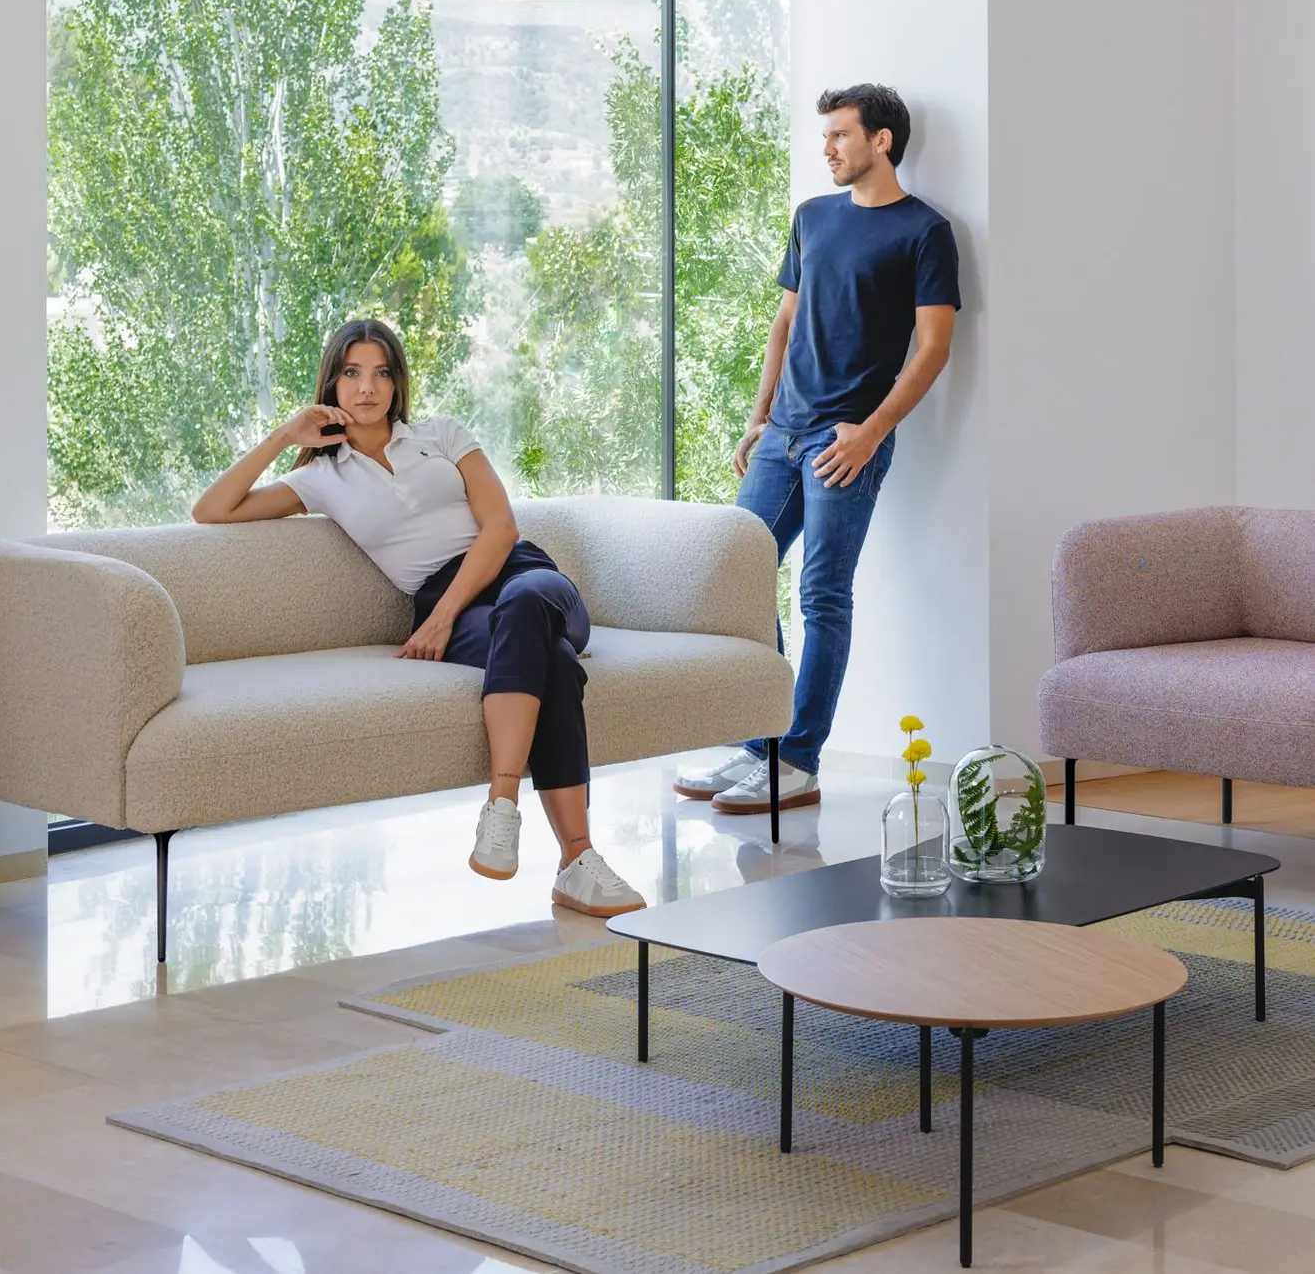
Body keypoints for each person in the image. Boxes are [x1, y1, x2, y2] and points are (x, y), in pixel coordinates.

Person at [193, 318, 646, 917]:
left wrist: (443, 618)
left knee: (530, 602)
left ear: (397, 382)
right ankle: (577, 862)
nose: (366, 388)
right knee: (554, 664)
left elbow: (502, 527)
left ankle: (502, 804)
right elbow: (211, 511)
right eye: (351, 373)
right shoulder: (320, 479)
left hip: (519, 572)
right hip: (447, 606)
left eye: (381, 373)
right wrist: (284, 435)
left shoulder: (442, 434)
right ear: (331, 382)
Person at [676, 84, 960, 812]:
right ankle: (754, 745)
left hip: (847, 440)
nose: (828, 147)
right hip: (783, 433)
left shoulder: (925, 232)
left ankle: (797, 760)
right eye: (825, 136)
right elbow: (784, 325)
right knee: (735, 572)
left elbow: (932, 349)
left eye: (839, 135)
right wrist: (757, 417)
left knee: (821, 594)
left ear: (882, 141)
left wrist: (872, 432)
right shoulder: (811, 218)